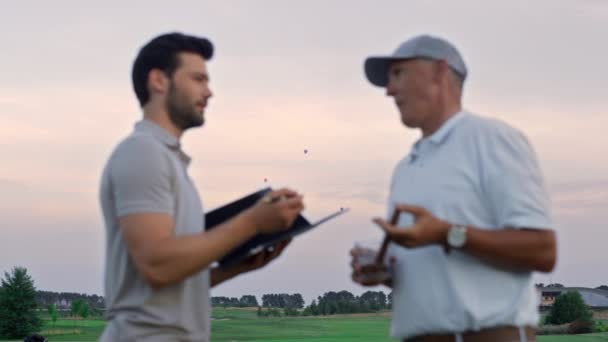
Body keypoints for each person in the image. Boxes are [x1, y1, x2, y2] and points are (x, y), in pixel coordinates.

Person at [99, 32, 304, 341]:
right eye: (198, 79)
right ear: (159, 81)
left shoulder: (168, 162)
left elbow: (163, 283)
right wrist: (252, 222)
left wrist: (236, 268)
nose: (209, 92)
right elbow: (156, 264)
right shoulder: (142, 152)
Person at [350, 34, 557, 342]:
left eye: (398, 74)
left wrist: (447, 233)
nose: (389, 90)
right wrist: (386, 272)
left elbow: (543, 250)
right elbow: (438, 266)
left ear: (439, 71)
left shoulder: (492, 139)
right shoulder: (405, 168)